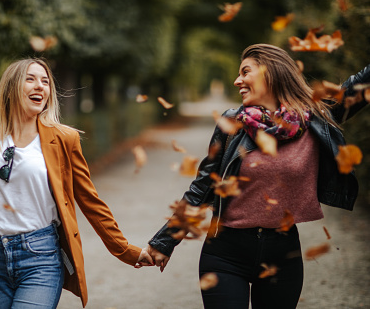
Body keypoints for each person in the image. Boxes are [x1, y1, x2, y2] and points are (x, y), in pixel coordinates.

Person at [0, 24, 152, 309]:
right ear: (13, 86)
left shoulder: (64, 139)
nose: (40, 86)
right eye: (31, 79)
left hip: (39, 256)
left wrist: (126, 251)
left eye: (46, 81)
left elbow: (91, 202)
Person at [145, 43, 369, 309]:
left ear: (270, 73)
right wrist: (165, 241)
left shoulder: (315, 117)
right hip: (225, 253)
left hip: (283, 255)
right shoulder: (232, 125)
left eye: (245, 72)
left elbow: (360, 86)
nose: (237, 80)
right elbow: (202, 188)